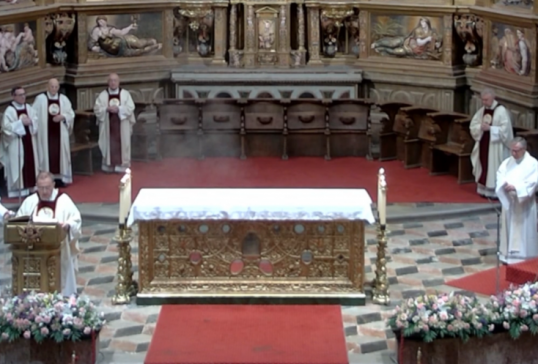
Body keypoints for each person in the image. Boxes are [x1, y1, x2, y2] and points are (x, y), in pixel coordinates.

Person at [16, 171, 81, 296]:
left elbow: (76, 219)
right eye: (41, 188)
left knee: (61, 282)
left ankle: (64, 300)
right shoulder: (30, 201)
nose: (44, 191)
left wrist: (68, 225)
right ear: (36, 186)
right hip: (35, 253)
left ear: (53, 185)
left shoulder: (64, 200)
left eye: (47, 187)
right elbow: (19, 221)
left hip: (60, 252)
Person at [495, 137, 538, 264]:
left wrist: (517, 188)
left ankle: (525, 257)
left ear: (524, 149)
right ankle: (507, 256)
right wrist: (504, 185)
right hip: (510, 202)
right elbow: (500, 174)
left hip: (524, 204)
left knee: (523, 232)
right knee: (509, 229)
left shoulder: (533, 164)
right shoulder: (507, 162)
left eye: (516, 151)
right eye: (512, 150)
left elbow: (534, 182)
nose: (513, 153)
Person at [470, 88, 513, 198]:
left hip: (495, 146)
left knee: (494, 167)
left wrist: (491, 129)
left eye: (486, 100)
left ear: (493, 98)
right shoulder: (482, 110)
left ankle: (494, 192)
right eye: (483, 100)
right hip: (484, 142)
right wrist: (480, 127)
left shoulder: (501, 110)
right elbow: (473, 124)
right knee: (483, 165)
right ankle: (483, 189)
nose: (484, 102)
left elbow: (506, 130)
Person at [32, 78, 75, 187]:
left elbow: (71, 114)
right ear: (48, 86)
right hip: (45, 134)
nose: (54, 89)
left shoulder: (63, 99)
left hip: (60, 134)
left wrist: (63, 117)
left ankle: (61, 178)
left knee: (61, 156)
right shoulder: (40, 99)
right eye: (52, 86)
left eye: (56, 87)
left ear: (59, 87)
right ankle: (46, 179)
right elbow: (33, 115)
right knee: (46, 155)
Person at [0, 86, 39, 198]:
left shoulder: (29, 108)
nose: (23, 97)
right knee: (18, 164)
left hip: (30, 142)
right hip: (16, 143)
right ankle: (18, 190)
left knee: (31, 162)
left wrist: (31, 121)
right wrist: (20, 123)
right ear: (13, 96)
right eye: (20, 95)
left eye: (24, 94)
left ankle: (31, 186)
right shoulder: (10, 110)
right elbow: (6, 128)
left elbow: (36, 120)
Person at [93, 73, 136, 173]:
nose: (113, 83)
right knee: (108, 143)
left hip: (122, 124)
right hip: (108, 125)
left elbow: (130, 108)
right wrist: (106, 109)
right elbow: (97, 109)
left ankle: (122, 165)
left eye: (115, 80)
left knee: (123, 143)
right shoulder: (103, 95)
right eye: (111, 80)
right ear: (108, 82)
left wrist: (119, 109)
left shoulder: (125, 94)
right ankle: (108, 165)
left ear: (118, 82)